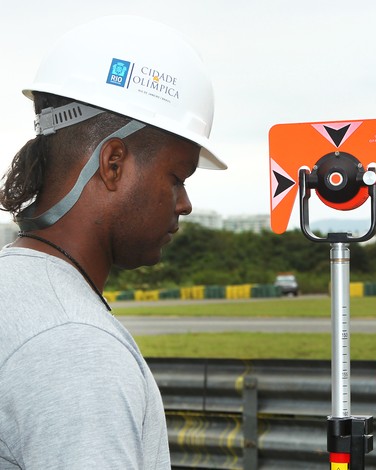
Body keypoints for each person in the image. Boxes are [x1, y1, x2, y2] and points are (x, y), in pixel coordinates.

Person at [0, 15, 226, 469]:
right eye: (177, 177)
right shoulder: (73, 348)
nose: (184, 204)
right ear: (114, 162)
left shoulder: (13, 283)